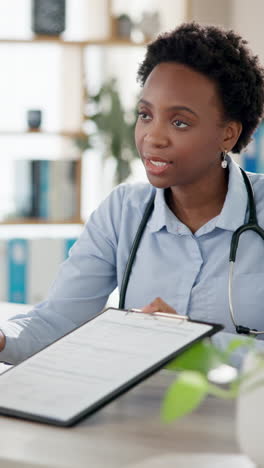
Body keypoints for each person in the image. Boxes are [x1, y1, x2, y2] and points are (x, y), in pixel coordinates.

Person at [1, 21, 264, 366]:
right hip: (137, 414)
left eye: (179, 122)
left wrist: (194, 344)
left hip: (245, 417)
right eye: (145, 114)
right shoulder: (122, 211)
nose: (153, 137)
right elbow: (59, 323)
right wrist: (4, 339)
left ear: (228, 135)